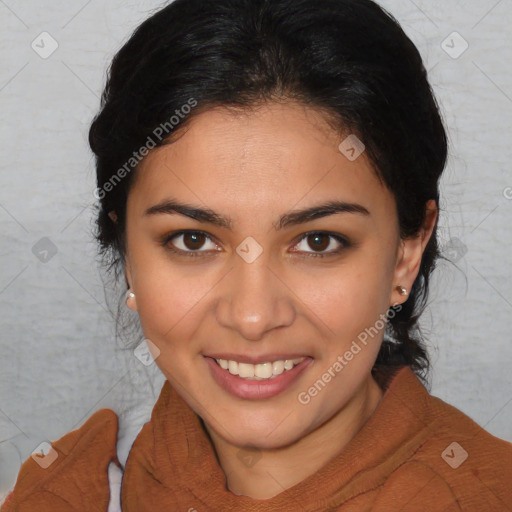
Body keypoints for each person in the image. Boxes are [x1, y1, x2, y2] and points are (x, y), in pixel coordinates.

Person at [2, 0, 511, 510]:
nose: (252, 317)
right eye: (193, 240)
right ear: (128, 253)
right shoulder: (66, 491)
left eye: (318, 242)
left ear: (407, 252)